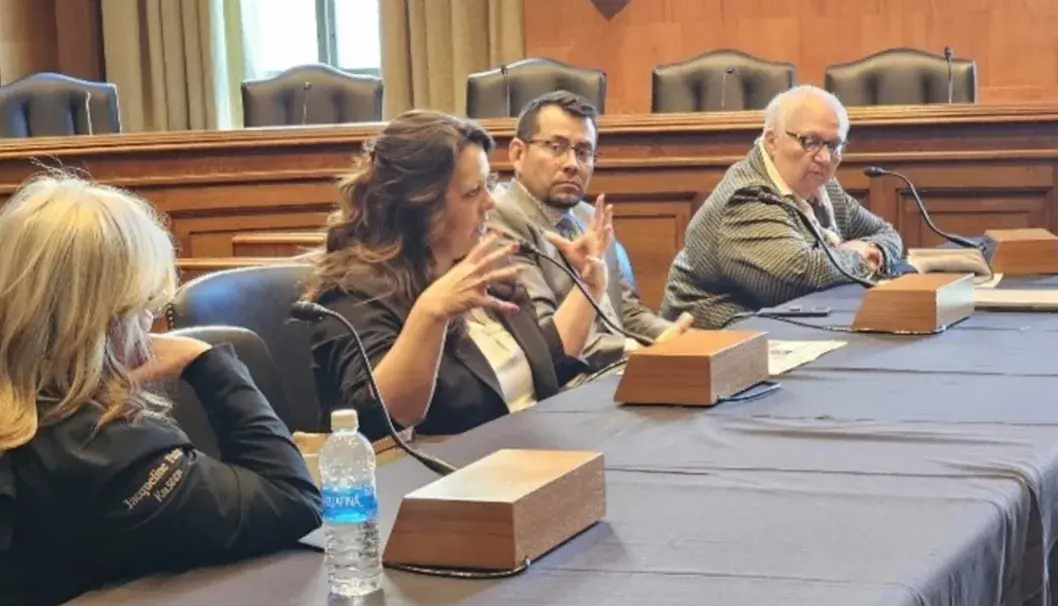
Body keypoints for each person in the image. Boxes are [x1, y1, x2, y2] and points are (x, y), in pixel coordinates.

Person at [0, 174, 322, 606]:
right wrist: (207, 361)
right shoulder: (103, 455)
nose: (147, 325)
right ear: (104, 319)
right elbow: (290, 499)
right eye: (145, 308)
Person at [307, 110, 610, 442]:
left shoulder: (484, 268)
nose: (490, 202)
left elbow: (543, 366)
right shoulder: (353, 293)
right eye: (472, 192)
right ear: (420, 205)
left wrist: (589, 287)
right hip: (440, 482)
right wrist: (431, 313)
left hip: (527, 461)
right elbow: (382, 420)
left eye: (489, 185)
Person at [659, 85, 904, 329]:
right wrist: (859, 256)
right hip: (712, 338)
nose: (825, 159)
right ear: (772, 140)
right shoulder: (746, 197)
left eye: (834, 145)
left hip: (781, 324)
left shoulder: (822, 185)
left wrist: (870, 249)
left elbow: (887, 234)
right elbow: (796, 281)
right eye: (811, 142)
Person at [488, 91, 692, 372]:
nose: (572, 164)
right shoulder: (500, 220)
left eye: (583, 152)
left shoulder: (587, 215)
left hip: (618, 370)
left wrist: (670, 336)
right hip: (568, 383)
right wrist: (633, 349)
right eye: (556, 147)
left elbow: (625, 312)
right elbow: (542, 337)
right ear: (517, 153)